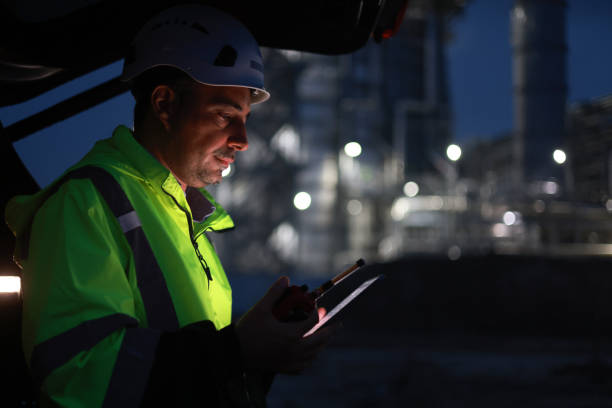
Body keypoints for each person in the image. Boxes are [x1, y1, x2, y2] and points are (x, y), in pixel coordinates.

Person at [5, 5, 336, 407]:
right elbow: (78, 375)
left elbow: (194, 372)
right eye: (223, 116)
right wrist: (235, 351)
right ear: (164, 104)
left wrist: (259, 353)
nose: (242, 139)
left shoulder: (179, 214)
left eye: (245, 119)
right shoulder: (85, 205)